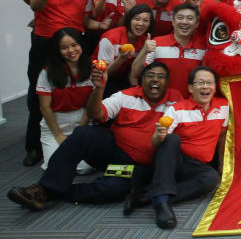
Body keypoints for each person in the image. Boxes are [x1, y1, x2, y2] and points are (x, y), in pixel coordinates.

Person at [6, 62, 182, 210]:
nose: (155, 80)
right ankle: (44, 188)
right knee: (84, 133)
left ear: (167, 82)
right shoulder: (126, 96)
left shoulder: (175, 100)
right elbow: (95, 113)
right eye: (150, 75)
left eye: (161, 77)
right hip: (114, 153)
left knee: (113, 188)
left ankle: (55, 193)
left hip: (140, 167)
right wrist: (99, 89)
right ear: (141, 80)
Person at [126, 67, 227, 229]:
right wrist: (159, 135)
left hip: (197, 166)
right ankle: (161, 203)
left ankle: (146, 196)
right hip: (172, 162)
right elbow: (156, 144)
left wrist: (222, 164)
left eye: (209, 83)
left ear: (215, 87)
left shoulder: (224, 107)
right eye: (200, 83)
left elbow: (223, 137)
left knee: (212, 179)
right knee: (171, 139)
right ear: (190, 88)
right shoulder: (176, 109)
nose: (205, 87)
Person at [26, 0, 93, 166]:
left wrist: (99, 22)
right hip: (46, 43)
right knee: (39, 95)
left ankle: (77, 136)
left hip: (73, 45)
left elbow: (84, 19)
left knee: (73, 89)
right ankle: (33, 147)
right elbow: (35, 5)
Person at [36, 28, 94, 172]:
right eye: (64, 47)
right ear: (57, 50)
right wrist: (58, 135)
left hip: (82, 122)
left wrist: (80, 131)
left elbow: (89, 106)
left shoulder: (92, 68)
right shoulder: (47, 72)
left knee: (84, 168)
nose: (71, 50)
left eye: (74, 45)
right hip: (55, 125)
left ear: (81, 44)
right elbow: (45, 107)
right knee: (55, 167)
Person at [130, 4, 205, 97]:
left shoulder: (204, 47)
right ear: (173, 21)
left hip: (191, 107)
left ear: (197, 23)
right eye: (180, 17)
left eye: (190, 18)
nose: (184, 22)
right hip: (161, 106)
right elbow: (135, 72)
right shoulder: (157, 43)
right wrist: (144, 51)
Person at [96, 4, 152, 96]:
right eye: (137, 19)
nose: (140, 24)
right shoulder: (109, 38)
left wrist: (135, 90)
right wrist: (121, 58)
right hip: (102, 79)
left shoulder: (146, 41)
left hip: (125, 77)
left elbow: (134, 72)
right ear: (129, 20)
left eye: (145, 20)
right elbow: (102, 73)